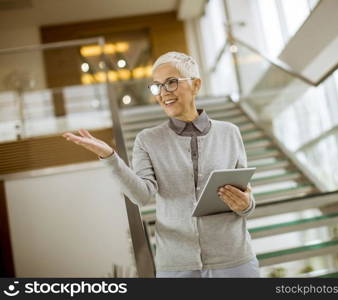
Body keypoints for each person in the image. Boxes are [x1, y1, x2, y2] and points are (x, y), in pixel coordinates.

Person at [62, 51, 260, 278]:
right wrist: (109, 158)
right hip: (176, 266)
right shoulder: (147, 140)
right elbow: (141, 195)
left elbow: (245, 196)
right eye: (157, 86)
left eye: (171, 83)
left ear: (196, 85)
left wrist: (246, 204)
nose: (163, 92)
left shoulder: (230, 133)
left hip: (235, 261)